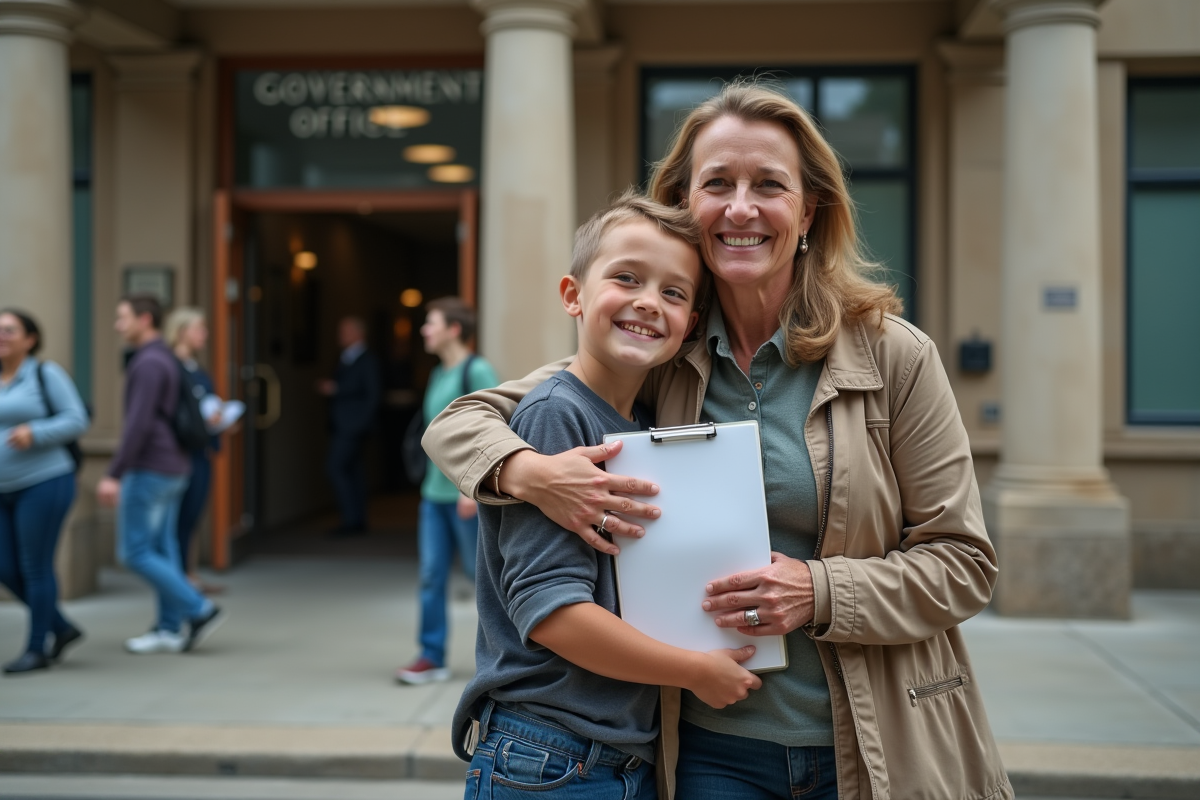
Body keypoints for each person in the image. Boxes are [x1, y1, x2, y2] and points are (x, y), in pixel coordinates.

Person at [424, 83, 1011, 800]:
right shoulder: (658, 349)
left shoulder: (893, 356)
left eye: (768, 185)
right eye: (717, 184)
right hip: (707, 750)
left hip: (867, 743)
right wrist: (529, 473)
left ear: (807, 211)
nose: (740, 208)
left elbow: (964, 564)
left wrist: (819, 590)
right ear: (686, 205)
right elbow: (460, 422)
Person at [453, 192, 761, 799]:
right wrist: (695, 671)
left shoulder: (643, 424)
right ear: (573, 294)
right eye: (626, 278)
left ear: (690, 325)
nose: (649, 301)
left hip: (614, 756)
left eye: (673, 293)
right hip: (547, 752)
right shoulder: (555, 415)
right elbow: (553, 614)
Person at [96, 295, 225, 655]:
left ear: (145, 320)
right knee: (163, 549)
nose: (117, 325)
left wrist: (114, 473)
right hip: (173, 465)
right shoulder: (164, 358)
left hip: (151, 466)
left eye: (123, 318)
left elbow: (138, 424)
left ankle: (198, 608)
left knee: (135, 552)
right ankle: (169, 628)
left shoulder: (149, 362)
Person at [395, 298, 499, 685]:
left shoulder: (477, 370)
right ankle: (431, 656)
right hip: (433, 496)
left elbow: (496, 429)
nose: (424, 330)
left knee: (484, 579)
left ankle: (508, 658)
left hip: (465, 497)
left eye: (431, 323)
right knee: (430, 575)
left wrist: (472, 489)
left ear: (454, 329)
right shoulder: (439, 372)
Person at [0, 310, 89, 675]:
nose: (1, 336)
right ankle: (61, 626)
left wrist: (35, 433)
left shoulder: (45, 373)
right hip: (2, 489)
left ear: (30, 339)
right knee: (5, 567)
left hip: (44, 482)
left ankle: (37, 649)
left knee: (35, 566)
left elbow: (76, 419)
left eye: (9, 330)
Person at [163, 307, 222, 594]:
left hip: (201, 451)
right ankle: (179, 576)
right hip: (180, 453)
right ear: (181, 331)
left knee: (193, 514)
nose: (205, 335)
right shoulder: (168, 367)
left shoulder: (196, 369)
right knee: (179, 517)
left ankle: (188, 572)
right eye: (199, 328)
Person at [317, 316, 380, 535]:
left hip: (353, 426)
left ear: (358, 333)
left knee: (336, 467)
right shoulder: (344, 357)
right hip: (342, 424)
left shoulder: (368, 359)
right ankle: (356, 520)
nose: (340, 336)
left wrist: (362, 422)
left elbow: (373, 394)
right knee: (353, 471)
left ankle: (351, 520)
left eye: (345, 331)